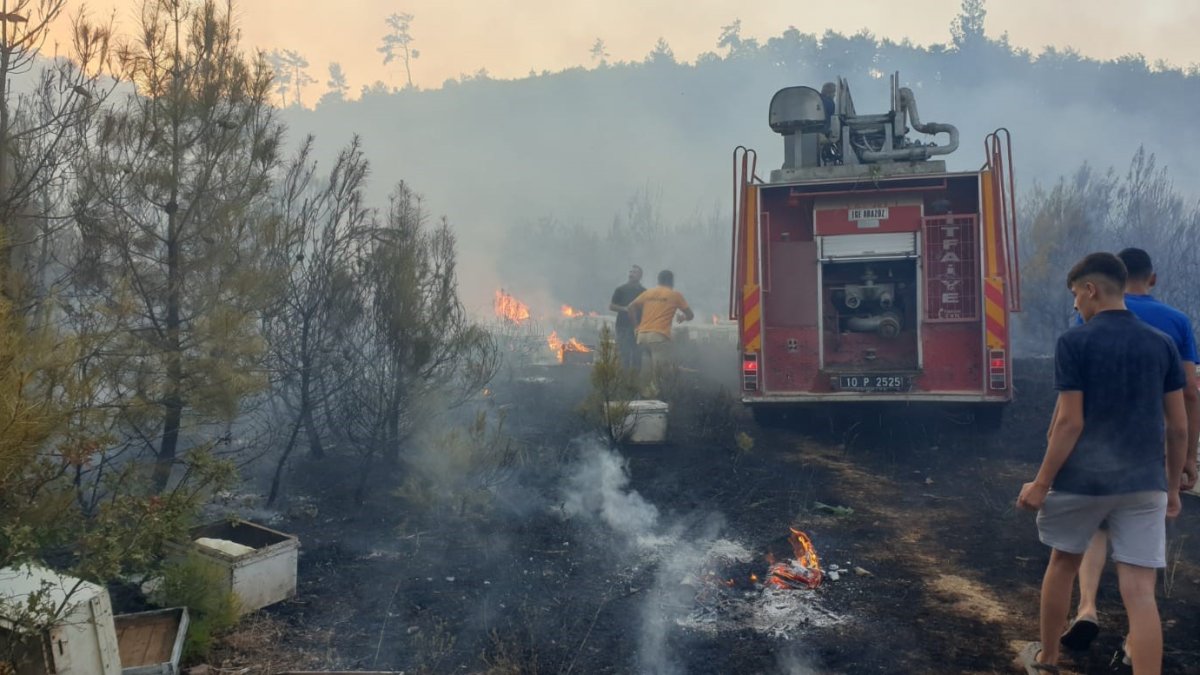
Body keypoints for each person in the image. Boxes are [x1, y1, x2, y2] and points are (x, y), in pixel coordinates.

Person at [1016, 252, 1188, 675]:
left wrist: (1041, 482)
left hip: (1083, 483)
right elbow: (1179, 427)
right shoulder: (1161, 343)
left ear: (1091, 290)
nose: (1075, 304)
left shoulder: (1074, 342)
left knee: (1063, 564)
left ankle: (1049, 658)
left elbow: (1070, 422)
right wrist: (1170, 486)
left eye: (1076, 294)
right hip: (1144, 482)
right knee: (1140, 592)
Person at [1054, 248, 1200, 657]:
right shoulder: (1174, 325)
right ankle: (1139, 645)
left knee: (1092, 535)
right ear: (1151, 279)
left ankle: (1085, 608)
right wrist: (1185, 461)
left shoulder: (1087, 317)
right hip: (1145, 460)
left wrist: (1050, 461)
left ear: (1092, 288)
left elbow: (1068, 400)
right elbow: (1188, 395)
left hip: (1090, 458)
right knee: (1140, 580)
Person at [626, 269, 693, 397]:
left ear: (658, 280)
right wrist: (683, 318)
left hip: (642, 337)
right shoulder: (675, 295)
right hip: (659, 338)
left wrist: (636, 327)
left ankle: (637, 397)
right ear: (671, 281)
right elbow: (690, 315)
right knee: (659, 375)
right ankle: (655, 402)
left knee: (646, 372)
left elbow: (630, 307)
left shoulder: (648, 293)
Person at [608, 265, 646, 370]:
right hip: (622, 327)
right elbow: (611, 306)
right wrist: (625, 309)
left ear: (640, 276)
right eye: (630, 272)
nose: (631, 274)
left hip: (638, 328)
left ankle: (634, 382)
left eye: (634, 272)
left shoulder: (644, 292)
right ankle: (622, 381)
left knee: (637, 356)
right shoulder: (621, 289)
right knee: (623, 355)